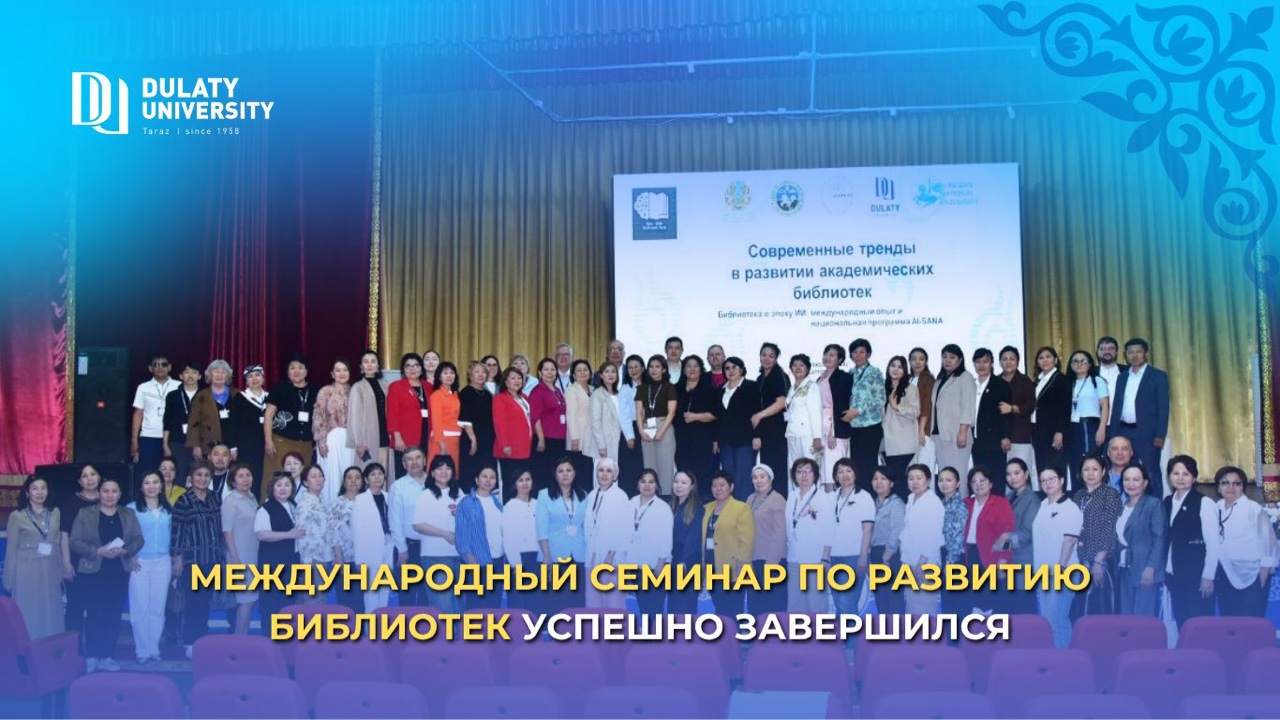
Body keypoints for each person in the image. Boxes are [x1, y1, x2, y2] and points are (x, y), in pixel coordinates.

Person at [70, 478, 143, 673]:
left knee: (113, 614)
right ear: (99, 493)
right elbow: (75, 541)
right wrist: (97, 551)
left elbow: (138, 539)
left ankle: (108, 655)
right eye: (105, 491)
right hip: (93, 571)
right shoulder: (85, 514)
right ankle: (92, 655)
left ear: (120, 495)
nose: (110, 495)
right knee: (95, 613)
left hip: (119, 571)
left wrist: (125, 551)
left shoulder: (128, 514)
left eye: (114, 491)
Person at [170, 460, 224, 658]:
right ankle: (190, 643)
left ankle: (202, 639)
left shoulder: (215, 498)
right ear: (191, 477)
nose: (203, 479)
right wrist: (177, 558)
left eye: (207, 475)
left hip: (213, 558)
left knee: (206, 601)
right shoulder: (183, 501)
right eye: (199, 475)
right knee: (193, 602)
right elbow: (176, 531)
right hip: (192, 562)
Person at [1212, 467, 1278, 616]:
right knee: (1229, 623)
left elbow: (1269, 549)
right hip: (1225, 577)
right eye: (1225, 483)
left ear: (1243, 487)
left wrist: (1260, 584)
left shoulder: (1254, 509)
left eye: (1236, 483)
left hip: (1253, 578)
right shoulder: (1215, 509)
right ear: (1218, 487)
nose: (1230, 487)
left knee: (1250, 624)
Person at [4, 476, 64, 640]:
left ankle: (51, 647)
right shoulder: (17, 516)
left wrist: (60, 571)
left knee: (51, 610)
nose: (39, 492)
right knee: (29, 611)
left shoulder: (55, 513)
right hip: (26, 571)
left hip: (50, 568)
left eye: (43, 488)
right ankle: (28, 648)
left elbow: (57, 543)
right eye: (35, 488)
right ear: (27, 493)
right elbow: (11, 550)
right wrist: (8, 579)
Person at [1107, 338, 1171, 490]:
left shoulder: (1158, 376)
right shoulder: (1122, 377)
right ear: (1126, 355)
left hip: (1147, 434)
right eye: (1130, 352)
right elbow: (1117, 407)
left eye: (1138, 352)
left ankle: (1155, 503)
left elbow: (1163, 409)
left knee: (1151, 471)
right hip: (1123, 431)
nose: (1134, 355)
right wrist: (1113, 435)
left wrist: (1160, 437)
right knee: (1126, 472)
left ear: (1146, 354)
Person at [1162, 455, 1218, 627]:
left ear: (1194, 478)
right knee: (1182, 621)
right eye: (1175, 473)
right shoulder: (1167, 502)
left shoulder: (1204, 502)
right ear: (1169, 477)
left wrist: (1208, 576)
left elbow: (1213, 544)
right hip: (1174, 574)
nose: (1180, 478)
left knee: (1199, 625)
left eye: (1185, 474)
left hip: (1197, 575)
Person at [1032, 465, 1082, 648]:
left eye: (1051, 479)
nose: (1047, 483)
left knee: (1056, 620)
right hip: (1043, 573)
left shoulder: (1070, 507)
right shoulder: (1043, 505)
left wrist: (1060, 568)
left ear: (1061, 481)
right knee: (1046, 621)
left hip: (1063, 572)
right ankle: (1053, 658)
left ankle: (1065, 661)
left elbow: (1070, 540)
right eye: (1043, 480)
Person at [129, 471, 173, 664]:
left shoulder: (168, 509)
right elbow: (125, 535)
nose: (151, 486)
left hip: (163, 561)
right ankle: (142, 650)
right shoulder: (131, 509)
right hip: (140, 562)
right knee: (140, 607)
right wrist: (130, 555)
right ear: (141, 487)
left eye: (155, 482)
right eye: (147, 483)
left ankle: (154, 648)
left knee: (157, 607)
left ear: (161, 485)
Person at [1072, 455, 1123, 619]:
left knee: (1100, 608)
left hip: (1101, 561)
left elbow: (1110, 529)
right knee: (1080, 610)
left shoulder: (1110, 494)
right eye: (1086, 469)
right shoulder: (1078, 496)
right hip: (1080, 560)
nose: (1090, 473)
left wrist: (1098, 561)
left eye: (1095, 469)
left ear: (1103, 471)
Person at [412, 455, 464, 612]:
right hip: (434, 557)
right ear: (432, 473)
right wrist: (444, 534)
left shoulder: (459, 493)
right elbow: (418, 524)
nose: (444, 472)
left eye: (448, 468)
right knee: (443, 607)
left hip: (459, 557)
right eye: (439, 468)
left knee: (460, 607)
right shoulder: (426, 495)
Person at [536, 459, 588, 612]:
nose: (565, 474)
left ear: (574, 473)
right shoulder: (544, 495)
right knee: (555, 602)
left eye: (568, 470)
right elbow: (541, 527)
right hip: (553, 554)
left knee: (576, 601)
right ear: (555, 475)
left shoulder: (583, 494)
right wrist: (547, 555)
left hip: (578, 554)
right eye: (561, 471)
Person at [829, 459, 875, 629]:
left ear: (855, 474)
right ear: (835, 476)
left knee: (846, 603)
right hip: (833, 557)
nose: (845, 475)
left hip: (853, 556)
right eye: (840, 471)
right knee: (839, 604)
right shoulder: (831, 497)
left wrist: (863, 557)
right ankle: (843, 641)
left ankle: (851, 644)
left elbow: (867, 530)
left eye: (848, 470)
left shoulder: (864, 497)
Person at [1115, 463, 1165, 616]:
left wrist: (1151, 568)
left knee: (1143, 619)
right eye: (1126, 479)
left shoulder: (1153, 504)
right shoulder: (1122, 506)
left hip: (1145, 570)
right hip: (1124, 569)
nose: (1131, 484)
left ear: (1145, 483)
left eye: (1136, 480)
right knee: (1126, 617)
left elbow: (1159, 539)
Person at [785, 458, 834, 612]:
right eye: (799, 471)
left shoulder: (823, 497)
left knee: (816, 604)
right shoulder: (791, 496)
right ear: (794, 475)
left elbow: (830, 530)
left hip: (816, 559)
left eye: (808, 471)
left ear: (815, 475)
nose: (804, 475)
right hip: (793, 558)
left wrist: (825, 558)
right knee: (795, 605)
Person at [963, 467, 1014, 614]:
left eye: (982, 481)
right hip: (970, 556)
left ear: (990, 483)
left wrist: (1003, 560)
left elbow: (1007, 534)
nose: (978, 484)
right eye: (974, 482)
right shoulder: (966, 503)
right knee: (973, 603)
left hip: (992, 557)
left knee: (992, 604)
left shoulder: (1001, 503)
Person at [702, 471, 754, 616]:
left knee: (733, 610)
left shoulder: (741, 508)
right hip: (711, 567)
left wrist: (742, 563)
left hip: (734, 568)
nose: (718, 489)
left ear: (731, 487)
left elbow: (747, 540)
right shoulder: (706, 508)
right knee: (719, 609)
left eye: (722, 485)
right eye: (714, 485)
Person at [583, 460, 633, 609]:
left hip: (612, 558)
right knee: (593, 603)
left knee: (613, 603)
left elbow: (625, 529)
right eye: (601, 470)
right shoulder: (591, 495)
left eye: (609, 471)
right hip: (592, 555)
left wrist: (612, 553)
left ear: (615, 475)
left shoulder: (621, 496)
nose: (604, 474)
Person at [996, 458, 1042, 614]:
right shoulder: (1008, 496)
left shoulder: (1032, 499)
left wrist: (1006, 537)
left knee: (1024, 612)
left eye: (1017, 473)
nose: (1012, 478)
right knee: (1010, 612)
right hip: (1008, 560)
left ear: (1026, 474)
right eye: (1009, 474)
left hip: (1024, 561)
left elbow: (1028, 533)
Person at [455, 466, 505, 609]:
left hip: (497, 560)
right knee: (475, 608)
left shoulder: (497, 502)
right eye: (484, 476)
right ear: (477, 480)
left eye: (492, 477)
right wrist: (469, 558)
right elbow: (461, 534)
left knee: (494, 606)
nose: (488, 480)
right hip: (476, 561)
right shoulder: (466, 502)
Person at [263, 355, 319, 483]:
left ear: (306, 371)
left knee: (302, 480)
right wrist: (268, 441)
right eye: (292, 368)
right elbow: (268, 415)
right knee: (277, 478)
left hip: (306, 444)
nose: (296, 371)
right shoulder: (279, 388)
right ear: (287, 372)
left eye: (300, 368)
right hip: (281, 442)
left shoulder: (316, 390)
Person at [627, 468, 674, 616]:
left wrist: (660, 564)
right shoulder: (631, 503)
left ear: (657, 486)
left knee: (655, 610)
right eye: (643, 481)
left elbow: (666, 537)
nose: (647, 485)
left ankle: (655, 632)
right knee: (643, 608)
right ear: (637, 484)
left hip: (656, 566)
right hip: (636, 565)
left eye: (651, 482)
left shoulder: (663, 508)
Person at [899, 464, 944, 615]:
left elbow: (935, 535)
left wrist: (921, 563)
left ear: (928, 480)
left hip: (925, 563)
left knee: (924, 607)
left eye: (919, 478)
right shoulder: (911, 499)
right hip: (909, 560)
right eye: (911, 478)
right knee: (912, 607)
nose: (914, 482)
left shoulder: (933, 502)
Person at [222, 464, 261, 634]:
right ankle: (239, 640)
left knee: (250, 599)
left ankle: (242, 638)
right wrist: (234, 556)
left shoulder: (252, 497)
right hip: (239, 556)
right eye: (241, 476)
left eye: (248, 475)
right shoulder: (230, 501)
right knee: (246, 600)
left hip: (254, 555)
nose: (245, 479)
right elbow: (226, 531)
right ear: (233, 481)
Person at [389, 447, 430, 606]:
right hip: (407, 549)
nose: (414, 462)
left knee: (429, 597)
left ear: (424, 461)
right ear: (404, 464)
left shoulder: (436, 482)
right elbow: (394, 519)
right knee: (407, 598)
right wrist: (401, 548)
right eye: (409, 459)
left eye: (418, 458)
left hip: (432, 548)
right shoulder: (398, 486)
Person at [842, 339, 885, 490]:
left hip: (870, 426)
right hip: (854, 427)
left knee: (869, 466)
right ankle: (858, 496)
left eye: (862, 352)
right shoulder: (850, 373)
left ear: (868, 354)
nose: (858, 355)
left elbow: (880, 399)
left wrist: (858, 410)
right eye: (855, 352)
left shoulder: (875, 373)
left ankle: (870, 496)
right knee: (855, 466)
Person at [745, 464, 787, 615]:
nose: (759, 481)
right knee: (755, 607)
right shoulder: (750, 499)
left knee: (773, 608)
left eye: (762, 477)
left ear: (770, 479)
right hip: (753, 561)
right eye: (755, 477)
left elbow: (780, 534)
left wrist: (771, 563)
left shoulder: (777, 499)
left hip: (772, 561)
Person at [718, 356, 761, 501]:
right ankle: (729, 507)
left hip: (745, 440)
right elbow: (719, 418)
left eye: (734, 367)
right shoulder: (721, 390)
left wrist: (757, 435)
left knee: (743, 478)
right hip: (726, 442)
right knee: (728, 477)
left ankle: (744, 508)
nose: (731, 371)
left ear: (741, 369)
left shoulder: (751, 386)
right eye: (727, 368)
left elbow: (757, 412)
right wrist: (716, 439)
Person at [352, 463, 394, 611]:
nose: (377, 477)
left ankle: (382, 623)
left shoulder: (389, 497)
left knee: (385, 590)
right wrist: (359, 559)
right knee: (371, 593)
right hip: (369, 551)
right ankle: (370, 624)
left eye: (380, 473)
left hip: (388, 547)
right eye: (373, 474)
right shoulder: (360, 499)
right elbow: (357, 531)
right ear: (366, 479)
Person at [313, 358, 355, 505]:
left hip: (351, 440)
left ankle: (349, 507)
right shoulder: (325, 391)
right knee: (332, 474)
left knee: (349, 473)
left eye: (345, 370)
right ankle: (330, 507)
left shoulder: (355, 391)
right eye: (338, 370)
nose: (341, 373)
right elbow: (319, 416)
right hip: (331, 438)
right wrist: (321, 442)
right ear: (332, 374)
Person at [931, 345, 975, 484]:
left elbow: (968, 406)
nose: (947, 360)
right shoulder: (939, 379)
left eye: (952, 357)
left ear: (960, 359)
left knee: (957, 473)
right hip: (939, 434)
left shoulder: (965, 377)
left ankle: (962, 498)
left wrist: (962, 432)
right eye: (944, 357)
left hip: (957, 434)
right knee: (944, 474)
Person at [971, 349, 1012, 495]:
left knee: (996, 476)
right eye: (978, 362)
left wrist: (1006, 436)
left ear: (992, 363)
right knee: (979, 475)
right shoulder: (971, 384)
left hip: (995, 439)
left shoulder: (1000, 384)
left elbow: (1006, 414)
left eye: (985, 362)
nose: (981, 365)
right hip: (975, 440)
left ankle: (997, 505)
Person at [585, 362, 632, 490]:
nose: (610, 374)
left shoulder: (619, 394)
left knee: (615, 477)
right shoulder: (598, 394)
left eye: (613, 371)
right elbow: (595, 422)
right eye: (607, 372)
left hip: (618, 442)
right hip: (603, 443)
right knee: (602, 477)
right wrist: (601, 445)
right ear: (601, 375)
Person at [675, 355, 720, 489]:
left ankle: (700, 500)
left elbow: (716, 415)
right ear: (684, 370)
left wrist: (696, 417)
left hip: (702, 440)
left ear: (701, 370)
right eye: (688, 366)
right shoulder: (676, 389)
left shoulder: (710, 390)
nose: (692, 369)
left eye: (696, 366)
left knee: (701, 474)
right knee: (683, 473)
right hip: (680, 440)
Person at [131, 354, 180, 477]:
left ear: (169, 367)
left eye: (164, 364)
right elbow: (138, 413)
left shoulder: (179, 386)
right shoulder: (143, 387)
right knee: (148, 473)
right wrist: (134, 440)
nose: (160, 367)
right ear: (150, 368)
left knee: (173, 473)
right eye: (156, 365)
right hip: (149, 436)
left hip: (173, 437)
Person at [636, 355, 679, 493]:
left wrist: (662, 431)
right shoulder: (642, 388)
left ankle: (666, 497)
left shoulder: (669, 387)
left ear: (664, 369)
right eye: (651, 367)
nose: (653, 370)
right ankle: (650, 496)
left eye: (657, 367)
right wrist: (641, 431)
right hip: (646, 427)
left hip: (663, 425)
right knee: (649, 467)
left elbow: (672, 412)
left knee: (665, 467)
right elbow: (639, 412)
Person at [327, 466, 366, 613]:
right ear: (344, 482)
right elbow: (332, 531)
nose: (353, 481)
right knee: (346, 603)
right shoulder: (337, 503)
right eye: (349, 477)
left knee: (362, 603)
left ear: (362, 482)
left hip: (364, 560)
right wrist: (339, 558)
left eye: (357, 477)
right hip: (344, 560)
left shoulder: (368, 501)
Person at [1066, 350, 1110, 478]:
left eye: (1083, 361)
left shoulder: (1097, 381)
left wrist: (1102, 429)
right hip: (1072, 427)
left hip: (1089, 427)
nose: (1079, 364)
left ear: (1090, 364)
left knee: (1089, 461)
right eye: (1075, 361)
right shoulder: (1068, 382)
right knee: (1075, 463)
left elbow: (1105, 406)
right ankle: (1078, 490)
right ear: (1071, 365)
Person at [1030, 347, 1071, 485]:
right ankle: (1046, 496)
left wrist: (1060, 431)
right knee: (1042, 467)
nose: (1045, 360)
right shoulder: (1037, 381)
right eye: (1041, 358)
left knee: (1055, 468)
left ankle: (1059, 497)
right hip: (1038, 430)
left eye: (1048, 357)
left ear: (1055, 360)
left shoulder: (1061, 379)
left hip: (1053, 431)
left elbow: (1065, 408)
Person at [868, 466, 906, 614]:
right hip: (875, 553)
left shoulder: (897, 503)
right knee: (881, 598)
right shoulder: (872, 503)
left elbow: (897, 531)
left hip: (891, 556)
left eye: (883, 478)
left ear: (891, 483)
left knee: (894, 599)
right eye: (875, 478)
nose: (878, 482)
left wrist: (887, 555)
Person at [998, 346, 1037, 485]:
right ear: (1000, 362)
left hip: (1020, 435)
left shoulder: (1025, 381)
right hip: (998, 437)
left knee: (1020, 473)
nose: (1008, 362)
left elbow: (1031, 405)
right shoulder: (995, 382)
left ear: (1018, 362)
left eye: (1012, 359)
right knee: (1003, 475)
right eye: (1004, 359)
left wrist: (1013, 408)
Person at [347, 350, 392, 472]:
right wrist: (359, 442)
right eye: (366, 362)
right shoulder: (357, 387)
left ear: (378, 366)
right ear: (361, 367)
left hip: (384, 434)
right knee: (368, 471)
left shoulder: (385, 386)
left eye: (373, 361)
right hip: (367, 436)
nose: (369, 364)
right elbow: (355, 417)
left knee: (384, 470)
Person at [387, 353, 432, 473]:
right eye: (408, 366)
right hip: (405, 437)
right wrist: (397, 437)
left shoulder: (429, 387)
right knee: (405, 471)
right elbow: (392, 414)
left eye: (416, 365)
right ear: (403, 369)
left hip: (426, 434)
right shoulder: (396, 387)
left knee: (423, 470)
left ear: (421, 369)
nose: (412, 369)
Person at [186, 359, 239, 462]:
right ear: (209, 375)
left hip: (233, 445)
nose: (219, 375)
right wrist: (196, 445)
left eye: (223, 372)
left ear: (228, 375)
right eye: (216, 371)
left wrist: (235, 446)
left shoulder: (237, 394)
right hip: (208, 444)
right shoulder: (201, 396)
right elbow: (194, 422)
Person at [817, 344, 853, 491]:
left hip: (835, 429)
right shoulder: (821, 376)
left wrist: (833, 431)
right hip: (822, 426)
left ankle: (838, 500)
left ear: (840, 360)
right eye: (826, 354)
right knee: (824, 469)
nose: (827, 357)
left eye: (832, 355)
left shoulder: (844, 377)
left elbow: (841, 406)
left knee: (835, 467)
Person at [755, 343, 791, 494]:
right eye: (764, 355)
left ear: (776, 358)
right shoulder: (760, 378)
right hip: (764, 431)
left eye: (771, 356)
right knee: (767, 469)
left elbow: (781, 402)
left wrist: (760, 415)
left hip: (777, 430)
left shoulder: (779, 376)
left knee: (778, 469)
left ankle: (780, 501)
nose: (766, 358)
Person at [881, 355, 920, 491]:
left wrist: (897, 406)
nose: (895, 369)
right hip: (885, 442)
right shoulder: (882, 388)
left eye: (899, 367)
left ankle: (903, 503)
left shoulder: (910, 388)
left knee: (900, 478)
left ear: (905, 371)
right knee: (890, 478)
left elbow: (916, 411)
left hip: (903, 441)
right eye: (893, 366)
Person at [530, 357, 570, 491]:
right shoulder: (537, 391)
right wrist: (541, 439)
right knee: (545, 474)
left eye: (553, 369)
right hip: (546, 439)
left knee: (556, 475)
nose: (550, 372)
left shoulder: (557, 390)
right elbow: (535, 417)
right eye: (546, 369)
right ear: (540, 372)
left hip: (560, 439)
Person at [493, 366, 534, 496]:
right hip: (509, 449)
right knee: (511, 483)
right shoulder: (500, 398)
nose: (517, 381)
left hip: (525, 447)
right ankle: (509, 507)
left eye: (519, 378)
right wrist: (505, 445)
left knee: (523, 482)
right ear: (506, 381)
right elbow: (500, 423)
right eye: (513, 378)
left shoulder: (524, 397)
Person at [229, 365, 269, 497]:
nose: (254, 379)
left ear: (263, 378)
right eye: (250, 376)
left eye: (257, 375)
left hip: (267, 446)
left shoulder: (270, 397)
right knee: (249, 476)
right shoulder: (239, 398)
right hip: (246, 447)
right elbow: (232, 424)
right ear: (246, 381)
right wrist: (233, 447)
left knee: (265, 475)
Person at [669, 470, 705, 614]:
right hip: (672, 561)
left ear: (692, 486)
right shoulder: (670, 506)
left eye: (684, 483)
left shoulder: (697, 508)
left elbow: (694, 538)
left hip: (689, 563)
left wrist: (684, 561)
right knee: (673, 607)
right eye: (676, 482)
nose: (679, 485)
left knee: (685, 608)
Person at [502, 470, 540, 610]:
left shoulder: (538, 504)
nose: (525, 483)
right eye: (520, 480)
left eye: (528, 479)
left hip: (537, 559)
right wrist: (516, 565)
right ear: (515, 484)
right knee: (519, 605)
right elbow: (508, 539)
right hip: (517, 560)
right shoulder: (509, 506)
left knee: (536, 604)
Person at [295, 465, 332, 603]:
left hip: (322, 555)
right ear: (305, 482)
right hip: (312, 558)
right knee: (313, 600)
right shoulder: (305, 503)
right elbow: (301, 534)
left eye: (320, 476)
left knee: (320, 598)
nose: (318, 479)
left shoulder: (321, 500)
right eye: (313, 476)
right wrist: (306, 561)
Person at [937, 466, 970, 617]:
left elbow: (958, 536)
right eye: (941, 480)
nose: (944, 484)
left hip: (955, 559)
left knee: (957, 605)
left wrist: (950, 562)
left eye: (949, 480)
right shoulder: (941, 503)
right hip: (944, 555)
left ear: (958, 483)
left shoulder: (959, 505)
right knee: (948, 605)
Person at [459, 361, 496, 495]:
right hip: (472, 439)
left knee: (486, 470)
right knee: (471, 471)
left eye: (483, 372)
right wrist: (473, 439)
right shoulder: (465, 393)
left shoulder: (487, 394)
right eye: (477, 371)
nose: (481, 374)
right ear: (470, 375)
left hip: (487, 440)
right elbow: (465, 419)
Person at [784, 354, 823, 478]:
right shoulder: (792, 388)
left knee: (810, 468)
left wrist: (817, 437)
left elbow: (816, 413)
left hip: (807, 435)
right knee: (795, 468)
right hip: (792, 433)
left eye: (801, 365)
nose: (798, 368)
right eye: (795, 365)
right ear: (790, 369)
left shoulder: (812, 386)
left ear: (807, 368)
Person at [163, 361, 202, 480]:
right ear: (181, 376)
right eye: (187, 372)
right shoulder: (172, 396)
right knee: (179, 476)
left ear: (199, 376)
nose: (190, 376)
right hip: (178, 442)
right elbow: (167, 421)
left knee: (199, 475)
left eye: (194, 373)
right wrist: (165, 444)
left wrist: (199, 444)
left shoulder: (206, 395)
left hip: (201, 443)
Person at [617, 355, 646, 493]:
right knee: (631, 467)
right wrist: (629, 436)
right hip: (632, 430)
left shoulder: (650, 386)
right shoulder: (625, 388)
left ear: (643, 368)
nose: (633, 370)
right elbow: (624, 415)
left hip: (649, 428)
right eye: (630, 368)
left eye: (636, 367)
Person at [428, 361, 464, 472]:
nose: (449, 376)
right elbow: (436, 421)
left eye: (452, 373)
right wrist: (442, 445)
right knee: (439, 471)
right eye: (445, 373)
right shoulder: (437, 395)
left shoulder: (455, 395)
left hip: (455, 440)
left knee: (452, 472)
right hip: (442, 440)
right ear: (439, 376)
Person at [565, 359, 596, 484]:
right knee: (580, 472)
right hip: (578, 438)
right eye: (579, 370)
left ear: (590, 373)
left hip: (592, 438)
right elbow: (571, 415)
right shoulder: (571, 390)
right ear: (573, 375)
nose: (582, 372)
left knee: (589, 471)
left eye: (585, 370)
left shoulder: (593, 389)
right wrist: (574, 438)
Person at [909, 348, 937, 470]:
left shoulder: (928, 379)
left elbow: (927, 405)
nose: (917, 362)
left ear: (926, 362)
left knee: (924, 466)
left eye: (921, 359)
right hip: (909, 431)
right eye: (913, 359)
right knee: (912, 468)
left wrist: (921, 430)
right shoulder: (907, 379)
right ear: (909, 362)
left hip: (924, 430)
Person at [1095, 336, 1124, 423]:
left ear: (1116, 352)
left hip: (1123, 424)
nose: (1107, 352)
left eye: (1111, 348)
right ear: (1097, 352)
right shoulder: (1090, 372)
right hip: (1097, 424)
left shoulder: (1128, 371)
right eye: (1102, 349)